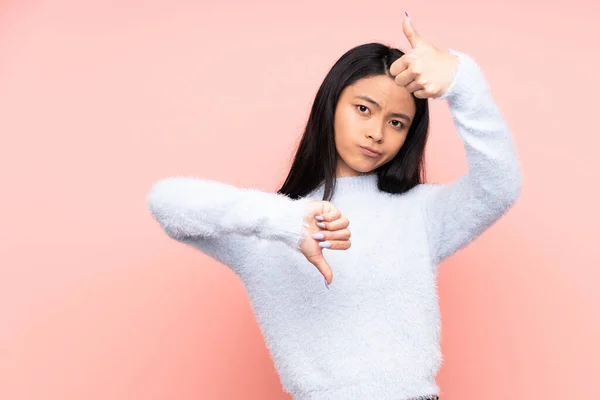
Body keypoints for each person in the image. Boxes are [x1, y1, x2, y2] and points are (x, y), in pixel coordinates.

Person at [147, 12, 522, 400]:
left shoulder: (420, 214)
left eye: (397, 122)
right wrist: (288, 222)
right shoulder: (272, 230)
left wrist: (464, 83)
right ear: (331, 105)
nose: (376, 132)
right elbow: (167, 201)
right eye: (364, 108)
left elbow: (499, 187)